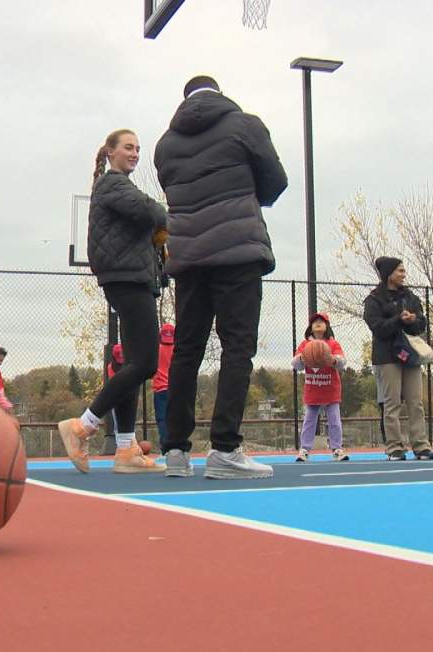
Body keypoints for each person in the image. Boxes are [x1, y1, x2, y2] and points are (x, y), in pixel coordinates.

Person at [154, 75, 288, 479]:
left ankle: (176, 451)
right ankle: (225, 449)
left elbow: (177, 192)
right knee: (237, 348)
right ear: (219, 92)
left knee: (186, 351)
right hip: (237, 250)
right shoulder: (245, 124)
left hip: (190, 257)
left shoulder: (164, 145)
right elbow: (275, 182)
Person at [57, 128, 166, 475]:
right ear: (111, 152)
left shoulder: (120, 186)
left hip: (133, 277)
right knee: (147, 363)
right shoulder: (113, 185)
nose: (134, 153)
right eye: (128, 147)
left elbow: (147, 219)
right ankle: (82, 426)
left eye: (138, 148)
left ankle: (125, 449)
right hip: (127, 278)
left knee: (132, 367)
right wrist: (164, 217)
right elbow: (149, 211)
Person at [364, 256, 433, 461]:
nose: (404, 274)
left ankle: (420, 445)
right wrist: (397, 319)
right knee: (391, 403)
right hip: (387, 356)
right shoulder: (374, 300)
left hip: (410, 356)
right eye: (400, 271)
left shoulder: (410, 297)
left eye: (404, 271)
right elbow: (377, 327)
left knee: (416, 402)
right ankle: (394, 447)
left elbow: (422, 324)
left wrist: (414, 320)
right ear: (389, 274)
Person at [293, 312, 349, 462]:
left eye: (321, 321)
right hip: (313, 390)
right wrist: (302, 358)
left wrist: (333, 359)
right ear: (310, 327)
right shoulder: (305, 345)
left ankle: (337, 448)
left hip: (331, 389)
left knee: (334, 421)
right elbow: (295, 364)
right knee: (309, 421)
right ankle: (304, 449)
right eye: (315, 321)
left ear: (327, 326)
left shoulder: (333, 344)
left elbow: (343, 362)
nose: (318, 323)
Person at [152, 323, 175, 444]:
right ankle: (177, 446)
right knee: (175, 418)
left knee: (162, 419)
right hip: (175, 388)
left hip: (160, 389)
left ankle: (165, 446)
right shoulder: (177, 349)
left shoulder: (156, 349)